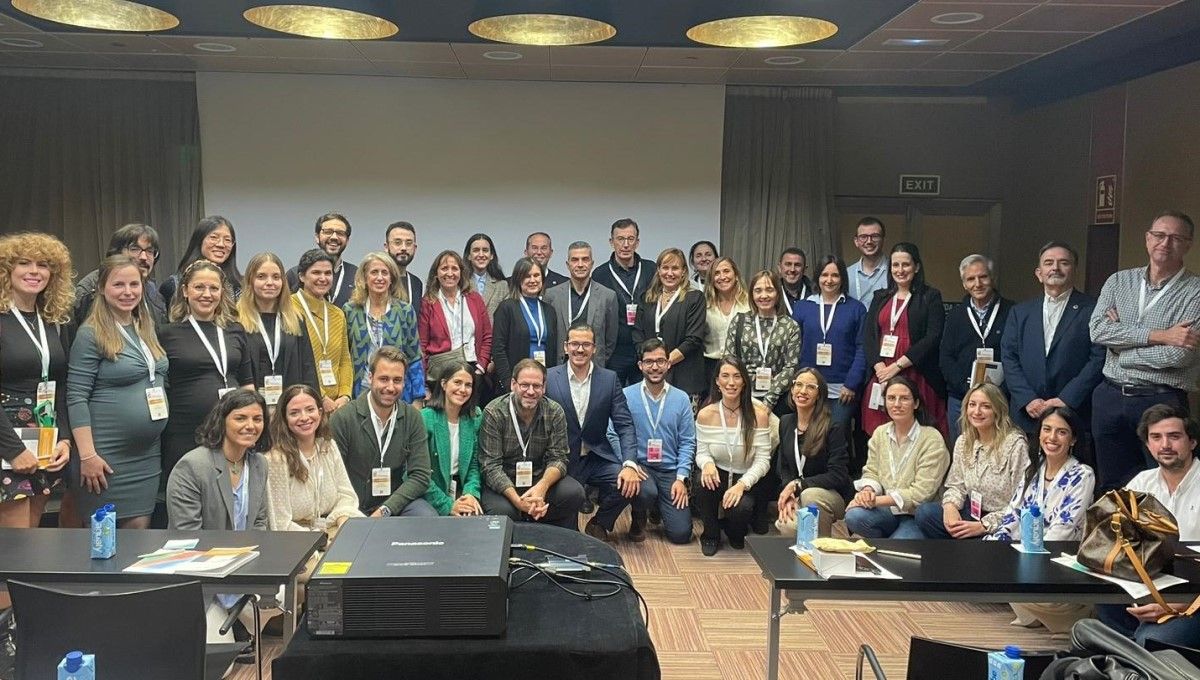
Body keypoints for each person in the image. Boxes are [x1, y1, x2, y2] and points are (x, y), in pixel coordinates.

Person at [1089, 210, 1200, 492]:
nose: (1165, 243)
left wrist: (1122, 352)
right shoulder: (1118, 281)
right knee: (1112, 485)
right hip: (1110, 396)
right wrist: (1161, 335)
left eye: (1175, 238)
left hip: (1161, 398)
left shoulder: (1195, 292)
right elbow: (1098, 331)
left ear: (1188, 244)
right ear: (1147, 239)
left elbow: (1180, 355)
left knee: (1165, 482)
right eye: (1159, 235)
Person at [67, 255, 168, 527]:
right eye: (118, 285)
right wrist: (87, 455)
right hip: (104, 456)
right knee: (105, 539)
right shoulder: (90, 334)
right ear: (101, 288)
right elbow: (76, 397)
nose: (128, 292)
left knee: (139, 532)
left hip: (146, 455)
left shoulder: (145, 327)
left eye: (134, 284)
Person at [165, 389, 270, 643]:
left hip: (244, 571)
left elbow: (260, 522)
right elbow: (188, 536)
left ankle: (244, 625)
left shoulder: (259, 465)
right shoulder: (192, 466)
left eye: (257, 419)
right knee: (219, 666)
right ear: (222, 420)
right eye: (240, 418)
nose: (250, 426)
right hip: (202, 579)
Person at [1098, 405, 1200, 647]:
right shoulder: (1142, 483)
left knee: (1149, 640)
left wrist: (1180, 604)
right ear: (1148, 445)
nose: (1165, 445)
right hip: (1147, 588)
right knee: (1098, 616)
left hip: (1193, 597)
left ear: (1192, 441)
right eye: (1156, 437)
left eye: (1174, 436)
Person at [989, 406, 1095, 634]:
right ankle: (1034, 610)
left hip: (1059, 559)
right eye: (1047, 429)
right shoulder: (1034, 468)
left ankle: (1065, 614)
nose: (1052, 437)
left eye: (1061, 432)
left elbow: (1063, 530)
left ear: (1073, 439)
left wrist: (1022, 557)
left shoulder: (1083, 474)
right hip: (1025, 553)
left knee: (1018, 576)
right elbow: (1013, 513)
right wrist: (993, 547)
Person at [0, 233, 73, 535]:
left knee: (32, 544)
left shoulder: (52, 321)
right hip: (8, 440)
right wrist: (13, 449)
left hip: (44, 436)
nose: (34, 271)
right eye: (24, 263)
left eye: (43, 265)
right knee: (14, 551)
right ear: (6, 270)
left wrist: (65, 440)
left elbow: (62, 385)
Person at [1000, 241, 1103, 454]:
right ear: (1039, 273)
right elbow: (1009, 358)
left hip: (1074, 414)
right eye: (1049, 263)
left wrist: (1066, 399)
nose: (1055, 268)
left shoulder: (1093, 309)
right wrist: (1028, 399)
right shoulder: (1020, 312)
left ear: (1074, 270)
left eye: (1063, 263)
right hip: (1028, 414)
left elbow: (1099, 358)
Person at [159, 259, 254, 479]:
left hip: (231, 431)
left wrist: (251, 422)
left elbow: (247, 382)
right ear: (185, 290)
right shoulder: (166, 333)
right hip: (185, 431)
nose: (206, 294)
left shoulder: (235, 330)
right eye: (199, 287)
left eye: (214, 288)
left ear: (222, 292)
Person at [544, 323, 638, 542]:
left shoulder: (609, 379)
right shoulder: (549, 377)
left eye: (586, 344)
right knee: (568, 536)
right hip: (562, 460)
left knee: (629, 483)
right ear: (566, 347)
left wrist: (630, 464)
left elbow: (624, 424)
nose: (580, 349)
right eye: (575, 344)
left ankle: (600, 523)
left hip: (596, 457)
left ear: (594, 348)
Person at [478, 359, 585, 530]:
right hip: (504, 483)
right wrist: (518, 501)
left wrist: (541, 488)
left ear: (544, 387)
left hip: (539, 478)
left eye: (536, 386)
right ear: (513, 384)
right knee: (502, 512)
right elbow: (490, 467)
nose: (530, 391)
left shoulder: (554, 411)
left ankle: (550, 534)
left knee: (574, 493)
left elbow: (559, 458)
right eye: (524, 385)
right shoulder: (494, 412)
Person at [329, 346, 436, 517]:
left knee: (426, 516)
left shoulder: (412, 417)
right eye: (384, 379)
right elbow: (332, 477)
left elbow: (421, 475)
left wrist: (386, 509)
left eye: (397, 380)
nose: (391, 387)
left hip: (393, 504)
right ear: (370, 378)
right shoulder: (343, 418)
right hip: (350, 505)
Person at [914, 383, 1028, 540]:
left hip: (1002, 522)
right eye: (972, 405)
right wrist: (950, 507)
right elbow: (956, 485)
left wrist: (983, 526)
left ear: (998, 410)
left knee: (982, 543)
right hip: (972, 512)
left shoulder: (1015, 445)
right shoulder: (964, 440)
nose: (977, 411)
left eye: (986, 406)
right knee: (925, 513)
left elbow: (1022, 503)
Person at [609, 338, 695, 543]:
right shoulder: (626, 395)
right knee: (646, 491)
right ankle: (639, 516)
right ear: (640, 366)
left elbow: (687, 442)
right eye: (648, 362)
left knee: (681, 535)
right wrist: (628, 463)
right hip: (641, 468)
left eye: (660, 361)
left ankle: (658, 507)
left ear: (668, 363)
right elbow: (612, 433)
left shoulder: (681, 398)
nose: (654, 367)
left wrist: (681, 478)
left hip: (669, 471)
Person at [861, 242, 947, 439]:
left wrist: (897, 366)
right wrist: (879, 367)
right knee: (880, 432)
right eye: (895, 265)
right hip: (882, 373)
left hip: (916, 372)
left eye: (906, 265)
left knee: (918, 432)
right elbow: (869, 336)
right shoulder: (880, 296)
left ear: (916, 267)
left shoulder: (930, 296)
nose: (900, 270)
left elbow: (933, 336)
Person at [845, 377, 950, 539]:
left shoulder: (931, 438)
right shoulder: (880, 432)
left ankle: (896, 541)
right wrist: (867, 492)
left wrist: (876, 501)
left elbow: (922, 494)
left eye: (904, 398)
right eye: (891, 398)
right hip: (888, 510)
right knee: (854, 516)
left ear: (916, 404)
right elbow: (871, 471)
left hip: (916, 515)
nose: (897, 404)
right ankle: (886, 542)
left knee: (900, 542)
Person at [693, 357, 773, 556]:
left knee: (741, 509)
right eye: (725, 376)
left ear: (744, 381)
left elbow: (763, 460)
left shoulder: (759, 414)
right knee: (702, 482)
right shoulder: (706, 414)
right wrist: (708, 464)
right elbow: (701, 453)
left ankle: (735, 530)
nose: (731, 382)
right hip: (718, 470)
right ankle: (710, 534)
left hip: (745, 475)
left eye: (737, 377)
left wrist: (742, 485)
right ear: (717, 382)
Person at [264, 384, 363, 532]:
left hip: (333, 527)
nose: (304, 417)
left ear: (320, 412)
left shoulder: (328, 446)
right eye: (294, 413)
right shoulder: (275, 459)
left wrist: (343, 522)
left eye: (310, 410)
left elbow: (346, 495)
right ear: (284, 418)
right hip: (296, 538)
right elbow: (280, 522)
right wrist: (317, 542)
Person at [938, 254, 1014, 443]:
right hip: (962, 397)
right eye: (971, 279)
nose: (977, 284)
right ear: (964, 284)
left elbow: (1017, 356)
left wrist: (999, 391)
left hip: (1001, 397)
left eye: (983, 277)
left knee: (997, 450)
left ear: (992, 278)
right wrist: (968, 390)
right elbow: (946, 357)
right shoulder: (955, 315)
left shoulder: (1012, 312)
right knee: (962, 449)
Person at [775, 368, 853, 538]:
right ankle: (803, 558)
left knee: (810, 496)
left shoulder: (832, 426)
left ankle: (821, 553)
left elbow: (838, 475)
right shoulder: (786, 422)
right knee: (788, 526)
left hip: (831, 495)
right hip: (801, 492)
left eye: (810, 387)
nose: (803, 391)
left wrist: (799, 485)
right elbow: (784, 467)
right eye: (798, 385)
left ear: (819, 394)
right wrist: (790, 493)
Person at [793, 256, 867, 429]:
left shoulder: (856, 309)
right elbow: (793, 347)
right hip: (808, 387)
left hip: (842, 390)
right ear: (817, 277)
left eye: (835, 275)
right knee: (808, 435)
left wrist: (851, 383)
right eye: (824, 275)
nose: (829, 280)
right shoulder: (802, 307)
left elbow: (862, 348)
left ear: (842, 279)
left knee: (836, 433)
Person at [237, 252, 320, 403]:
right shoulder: (236, 321)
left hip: (290, 407)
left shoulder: (296, 319)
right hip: (252, 409)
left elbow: (308, 369)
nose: (270, 282)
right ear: (250, 281)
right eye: (261, 276)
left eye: (276, 277)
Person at [343, 252, 424, 405]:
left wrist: (418, 398)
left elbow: (414, 357)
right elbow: (344, 357)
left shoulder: (404, 310)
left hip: (395, 391)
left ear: (391, 278)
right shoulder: (350, 310)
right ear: (364, 278)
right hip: (360, 391)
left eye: (384, 273)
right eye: (374, 272)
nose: (380, 278)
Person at [632, 248, 707, 400]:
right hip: (651, 376)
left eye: (675, 268)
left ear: (684, 272)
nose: (670, 273)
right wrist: (653, 363)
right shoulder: (646, 299)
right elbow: (637, 334)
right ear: (658, 270)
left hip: (685, 377)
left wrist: (663, 363)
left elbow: (693, 339)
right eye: (665, 268)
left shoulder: (695, 298)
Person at [724, 269, 801, 414]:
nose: (764, 295)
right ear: (752, 295)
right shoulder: (739, 321)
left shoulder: (790, 326)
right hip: (741, 397)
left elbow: (791, 367)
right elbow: (729, 360)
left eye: (769, 290)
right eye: (758, 290)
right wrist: (741, 393)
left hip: (778, 400)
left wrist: (769, 401)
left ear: (778, 294)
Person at [591, 218, 656, 386]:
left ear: (637, 242)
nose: (626, 244)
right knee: (612, 397)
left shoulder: (651, 269)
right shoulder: (600, 274)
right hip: (615, 351)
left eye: (630, 239)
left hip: (645, 346)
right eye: (620, 239)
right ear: (612, 242)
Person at [418, 250, 492, 389]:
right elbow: (422, 345)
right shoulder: (428, 302)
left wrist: (481, 365)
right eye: (444, 268)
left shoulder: (474, 298)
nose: (450, 273)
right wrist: (424, 384)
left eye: (454, 268)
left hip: (472, 371)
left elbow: (487, 336)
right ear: (436, 273)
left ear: (461, 272)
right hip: (440, 375)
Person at [421, 362, 485, 516]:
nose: (463, 390)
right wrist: (447, 505)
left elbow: (474, 466)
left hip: (461, 490)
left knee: (475, 517)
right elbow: (418, 474)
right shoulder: (425, 418)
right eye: (457, 382)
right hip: (430, 494)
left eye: (468, 385)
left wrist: (470, 494)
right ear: (443, 384)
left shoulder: (475, 416)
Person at [543, 241, 620, 369]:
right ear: (568, 265)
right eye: (575, 260)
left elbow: (610, 340)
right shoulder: (551, 295)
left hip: (594, 367)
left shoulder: (608, 296)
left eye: (585, 259)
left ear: (592, 263)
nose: (580, 264)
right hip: (560, 367)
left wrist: (597, 359)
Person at [293, 249, 352, 413]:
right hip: (304, 402)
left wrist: (345, 395)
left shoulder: (337, 314)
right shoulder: (289, 309)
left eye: (328, 273)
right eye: (316, 273)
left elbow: (344, 360)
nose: (323, 278)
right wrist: (321, 396)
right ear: (302, 276)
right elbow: (296, 363)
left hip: (338, 406)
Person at [73, 222, 167, 325]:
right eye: (135, 249)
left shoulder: (153, 292)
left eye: (150, 251)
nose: (144, 257)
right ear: (116, 252)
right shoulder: (88, 290)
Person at [491, 257, 560, 392]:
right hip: (515, 382)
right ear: (518, 279)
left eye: (536, 275)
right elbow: (498, 349)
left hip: (542, 381)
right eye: (527, 276)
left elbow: (553, 349)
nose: (532, 280)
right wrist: (509, 383)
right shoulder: (507, 308)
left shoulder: (549, 310)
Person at [160, 216, 242, 306]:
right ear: (199, 240)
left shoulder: (240, 286)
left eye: (227, 240)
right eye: (214, 237)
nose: (221, 244)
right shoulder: (174, 285)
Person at [285, 213, 357, 307]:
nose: (334, 237)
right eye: (328, 232)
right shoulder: (294, 274)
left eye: (340, 233)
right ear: (317, 237)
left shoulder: (357, 275)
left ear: (347, 240)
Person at [702, 256, 750, 388]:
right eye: (716, 273)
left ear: (736, 274)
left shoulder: (750, 303)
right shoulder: (703, 305)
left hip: (742, 366)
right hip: (711, 368)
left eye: (726, 271)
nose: (722, 277)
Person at [463, 233, 508, 317]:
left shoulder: (502, 286)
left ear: (491, 255)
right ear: (469, 256)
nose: (481, 255)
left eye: (485, 250)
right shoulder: (461, 284)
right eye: (476, 250)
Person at [845, 217, 887, 305]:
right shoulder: (846, 274)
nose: (869, 241)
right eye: (863, 237)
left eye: (875, 236)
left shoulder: (896, 272)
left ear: (883, 239)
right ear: (856, 241)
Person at [384, 221, 423, 303]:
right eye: (397, 242)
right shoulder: (377, 279)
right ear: (386, 247)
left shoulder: (416, 283)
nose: (404, 248)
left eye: (409, 243)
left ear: (415, 248)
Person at [777, 247, 812, 316]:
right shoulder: (772, 292)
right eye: (788, 264)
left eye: (797, 265)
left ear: (804, 269)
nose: (792, 269)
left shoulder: (816, 293)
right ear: (779, 268)